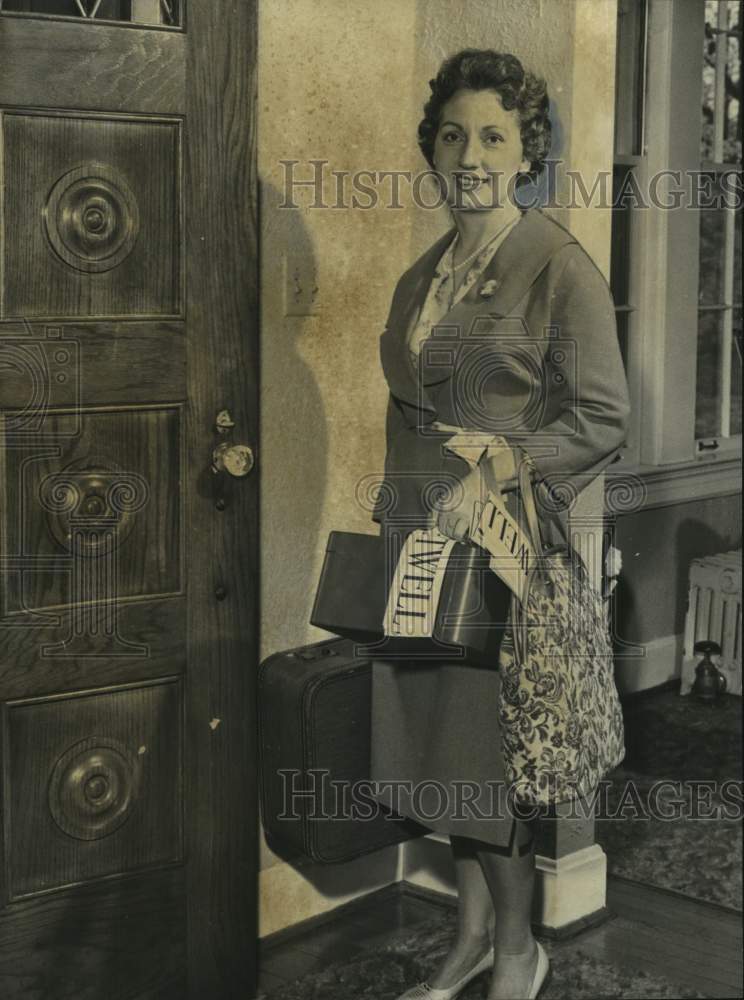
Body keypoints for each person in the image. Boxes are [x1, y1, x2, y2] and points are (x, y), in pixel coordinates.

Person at [368, 49, 630, 1000]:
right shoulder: (422, 276)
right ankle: (474, 936)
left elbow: (603, 415)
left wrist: (500, 472)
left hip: (501, 553)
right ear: (432, 150)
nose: (470, 156)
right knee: (436, 750)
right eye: (453, 135)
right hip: (422, 548)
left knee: (488, 759)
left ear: (526, 153)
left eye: (492, 136)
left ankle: (519, 948)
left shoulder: (557, 265)